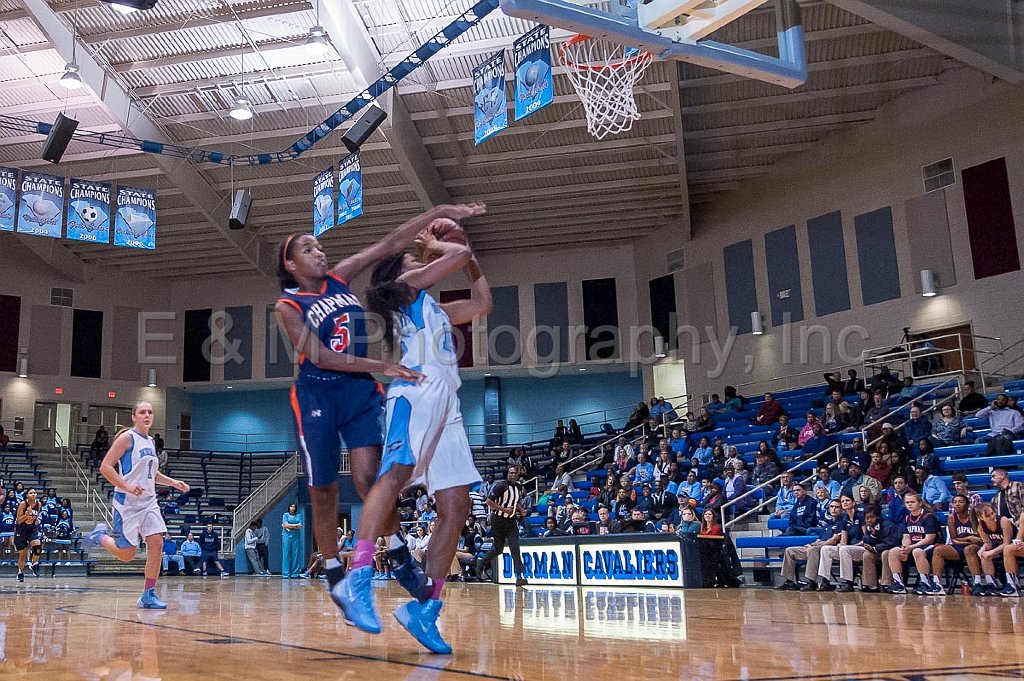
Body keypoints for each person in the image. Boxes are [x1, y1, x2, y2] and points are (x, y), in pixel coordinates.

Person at [274, 207, 477, 607]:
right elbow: (318, 354)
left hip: (362, 389)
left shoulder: (340, 277)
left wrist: (438, 212)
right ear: (290, 263)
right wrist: (381, 365)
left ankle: (397, 552)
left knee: (371, 478)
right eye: (308, 249)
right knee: (326, 488)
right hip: (319, 391)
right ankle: (339, 572)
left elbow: (389, 243)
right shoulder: (288, 306)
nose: (319, 252)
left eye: (319, 246)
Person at [336, 218, 493, 654]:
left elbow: (482, 302)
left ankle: (426, 609)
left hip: (448, 405)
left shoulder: (435, 308)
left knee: (457, 503)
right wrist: (446, 245)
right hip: (417, 392)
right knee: (393, 477)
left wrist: (470, 258)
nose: (419, 256)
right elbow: (455, 257)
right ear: (399, 271)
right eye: (412, 256)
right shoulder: (403, 287)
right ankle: (359, 577)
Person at [79, 402, 191, 608]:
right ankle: (99, 537)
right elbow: (105, 467)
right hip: (127, 503)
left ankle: (148, 594)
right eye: (142, 412)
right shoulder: (126, 438)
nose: (147, 415)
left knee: (157, 543)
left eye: (150, 412)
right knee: (128, 554)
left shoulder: (149, 441)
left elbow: (151, 473)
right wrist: (127, 486)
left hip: (149, 502)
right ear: (134, 416)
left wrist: (173, 482)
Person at [886, 493, 941, 595]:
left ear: (920, 503)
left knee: (917, 551)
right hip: (914, 547)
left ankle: (926, 583)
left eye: (912, 502)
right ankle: (899, 583)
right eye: (907, 502)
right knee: (894, 552)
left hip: (934, 546)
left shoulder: (928, 517)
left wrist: (911, 547)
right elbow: (906, 537)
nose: (909, 504)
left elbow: (929, 539)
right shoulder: (907, 518)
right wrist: (905, 546)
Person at [929, 494, 983, 596]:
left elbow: (981, 539)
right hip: (962, 545)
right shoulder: (951, 518)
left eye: (960, 502)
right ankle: (937, 584)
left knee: (969, 549)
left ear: (967, 504)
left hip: (978, 546)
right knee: (938, 550)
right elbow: (954, 539)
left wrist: (968, 541)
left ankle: (977, 583)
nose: (957, 504)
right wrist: (968, 539)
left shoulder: (975, 516)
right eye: (955, 502)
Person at [976, 502, 1018, 597]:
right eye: (987, 515)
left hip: (1013, 547)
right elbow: (988, 543)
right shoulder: (981, 526)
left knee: (991, 553)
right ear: (981, 518)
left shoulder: (1003, 521)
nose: (992, 516)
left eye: (992, 513)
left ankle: (1012, 584)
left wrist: (991, 552)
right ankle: (991, 584)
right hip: (1001, 548)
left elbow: (1007, 543)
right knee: (984, 555)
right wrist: (983, 549)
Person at [13, 488, 43, 581]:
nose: (33, 494)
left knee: (38, 547)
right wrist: (27, 514)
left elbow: (37, 515)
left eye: (35, 493)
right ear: (27, 495)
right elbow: (19, 520)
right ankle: (20, 572)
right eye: (31, 493)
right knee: (23, 555)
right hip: (21, 530)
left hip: (32, 529)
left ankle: (34, 565)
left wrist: (36, 519)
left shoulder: (39, 504)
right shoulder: (23, 504)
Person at [281, 503, 303, 579]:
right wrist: (295, 525)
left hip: (296, 537)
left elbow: (300, 525)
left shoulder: (299, 516)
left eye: (294, 507)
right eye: (291, 506)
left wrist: (290, 525)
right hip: (286, 536)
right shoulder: (285, 515)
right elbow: (285, 525)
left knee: (295, 554)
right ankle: (286, 573)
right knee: (286, 554)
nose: (292, 508)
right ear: (289, 507)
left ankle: (295, 573)